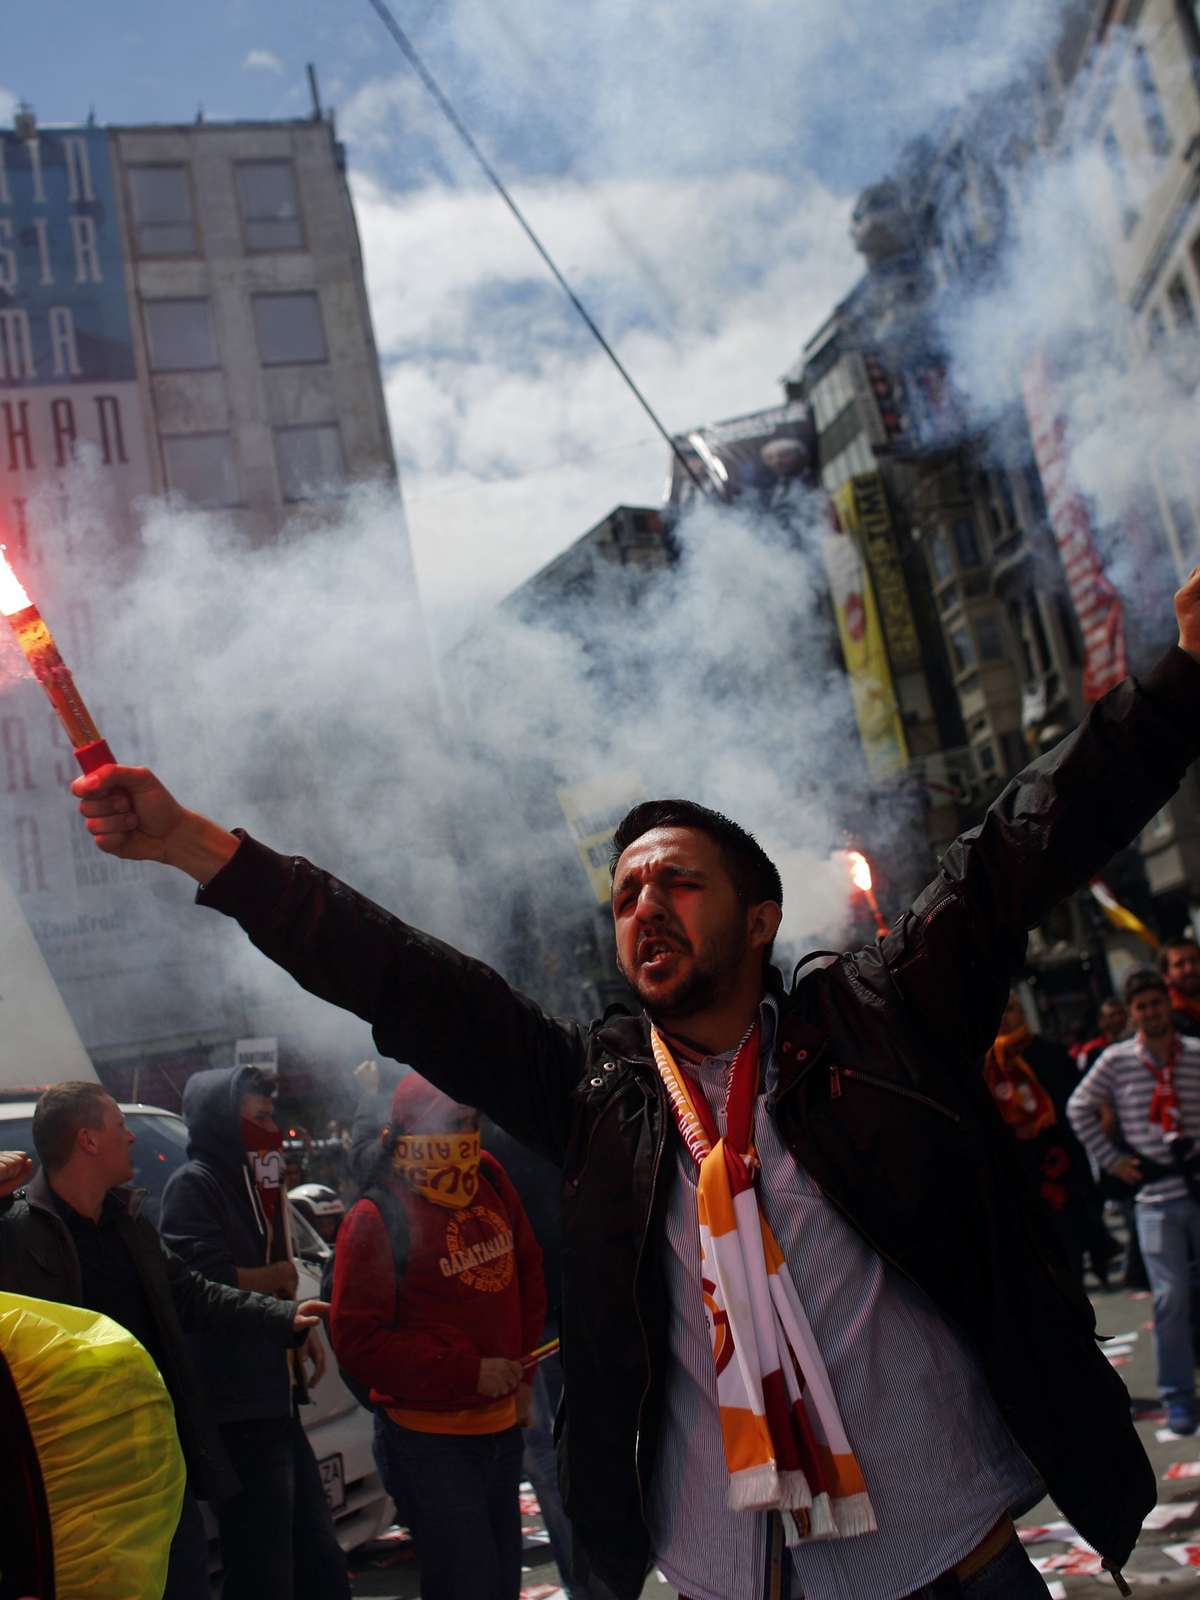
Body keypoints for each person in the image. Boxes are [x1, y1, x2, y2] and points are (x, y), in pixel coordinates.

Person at [68, 568, 1200, 1599]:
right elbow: (398, 974)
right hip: (737, 1571)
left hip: (950, 1552)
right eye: (624, 894)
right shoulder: (597, 1098)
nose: (645, 907)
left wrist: (1180, 679)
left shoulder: (879, 1020)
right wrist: (192, 845)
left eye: (678, 883)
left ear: (760, 921)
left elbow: (1023, 843)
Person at [0, 1085, 324, 1600]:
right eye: (116, 1126)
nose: (130, 1136)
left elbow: (192, 1294)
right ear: (87, 1140)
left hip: (155, 1470)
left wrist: (284, 1316)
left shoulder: (128, 1223)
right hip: (76, 1486)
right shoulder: (15, 1232)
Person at [329, 1073, 546, 1600]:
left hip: (498, 1429)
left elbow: (526, 1269)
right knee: (464, 1585)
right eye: (453, 1124)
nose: (468, 1136)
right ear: (413, 1129)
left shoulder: (488, 1175)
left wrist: (522, 1374)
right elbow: (359, 1342)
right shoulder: (374, 1217)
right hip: (429, 1445)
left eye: (473, 1123)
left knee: (498, 1584)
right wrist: (467, 1371)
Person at [159, 1065, 350, 1600]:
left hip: (274, 1396)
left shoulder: (258, 1182)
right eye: (259, 1118)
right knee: (263, 1563)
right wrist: (276, 1282)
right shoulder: (194, 1185)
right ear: (225, 1122)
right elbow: (199, 1282)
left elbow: (278, 1268)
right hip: (235, 1405)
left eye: (273, 1115)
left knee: (316, 1554)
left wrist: (295, 1329)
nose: (272, 1128)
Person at [1069, 968, 1200, 1432]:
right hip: (1154, 1195)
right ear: (1133, 1013)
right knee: (1169, 1297)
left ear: (1168, 1004)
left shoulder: (1193, 1055)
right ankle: (1177, 1395)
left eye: (1157, 1003)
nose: (1152, 1012)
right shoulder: (1116, 1061)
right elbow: (1078, 1108)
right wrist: (1114, 1161)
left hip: (1196, 1183)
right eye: (1142, 1006)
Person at [985, 993, 1111, 1286]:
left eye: (1012, 1009)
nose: (1005, 1018)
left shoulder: (1049, 1053)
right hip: (1018, 1168)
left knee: (1073, 1233)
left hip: (1061, 1161)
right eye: (999, 1011)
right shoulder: (985, 1065)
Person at [1072, 998, 1128, 1073]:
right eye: (1112, 1015)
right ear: (1101, 1021)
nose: (1118, 1019)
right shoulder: (1092, 1050)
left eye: (1121, 1013)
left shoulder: (1133, 1042)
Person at [1162, 936, 1200, 1036]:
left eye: (1194, 960)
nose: (1189, 969)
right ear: (1166, 975)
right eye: (1179, 964)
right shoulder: (1164, 1018)